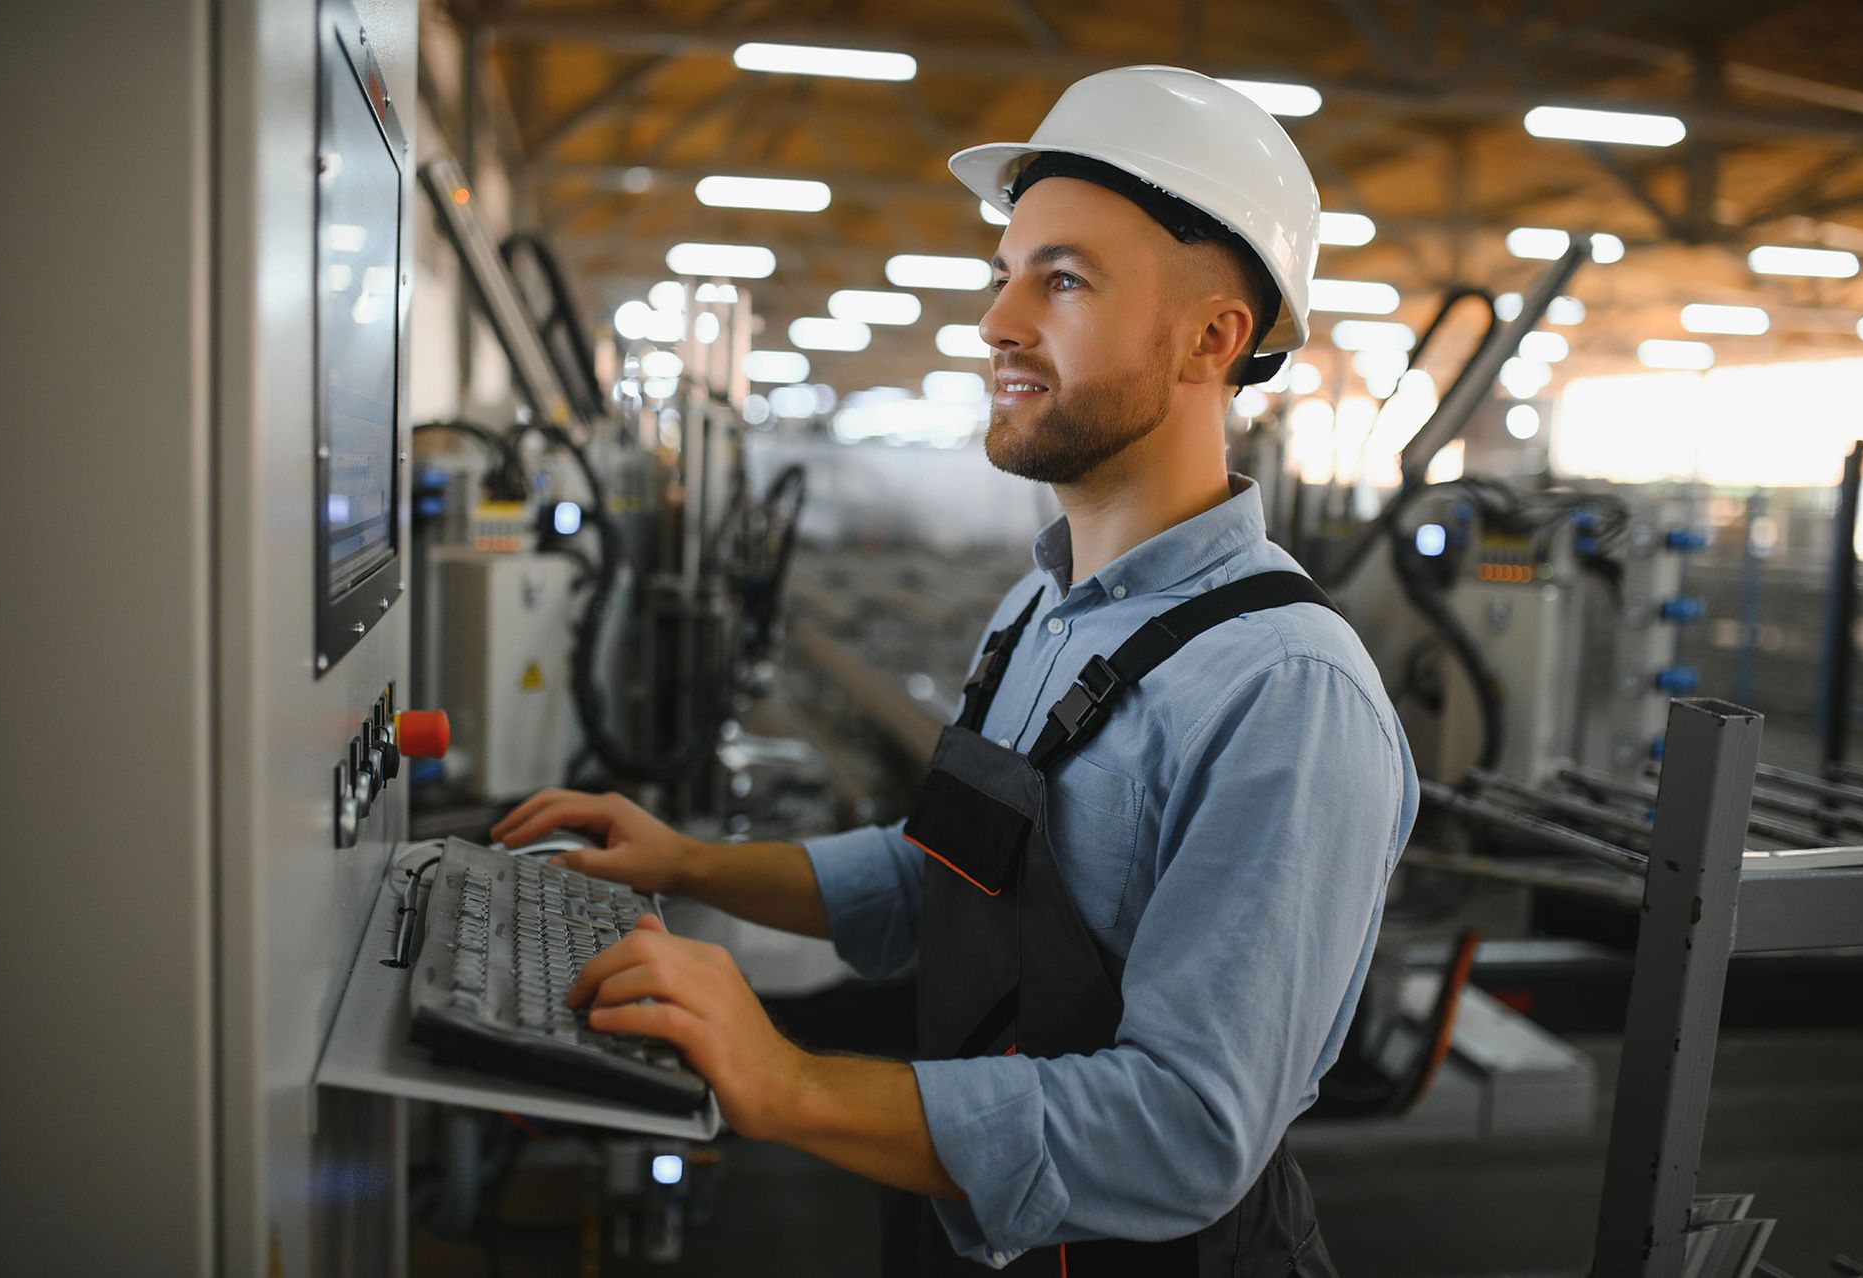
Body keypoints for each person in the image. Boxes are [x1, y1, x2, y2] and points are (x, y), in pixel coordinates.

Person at [492, 65, 1418, 1275]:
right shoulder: (1040, 604)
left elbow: (1188, 1132)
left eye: (1065, 279)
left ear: (1212, 338)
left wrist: (794, 1084)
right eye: (1004, 276)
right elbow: (939, 875)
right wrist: (687, 860)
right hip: (975, 1230)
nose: (997, 322)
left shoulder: (1286, 694)